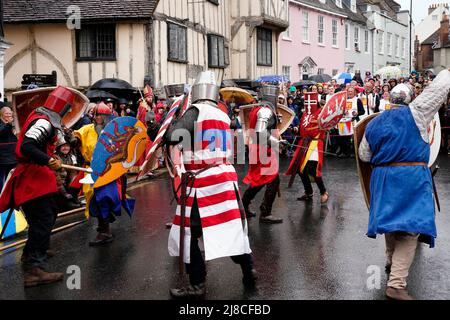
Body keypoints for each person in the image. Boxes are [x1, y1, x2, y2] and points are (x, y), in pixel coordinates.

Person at [358, 70, 450, 300]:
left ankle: (392, 263)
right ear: (411, 99)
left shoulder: (374, 123)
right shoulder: (417, 113)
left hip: (383, 178)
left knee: (392, 224)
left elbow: (364, 155)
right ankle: (396, 284)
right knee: (410, 230)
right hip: (409, 178)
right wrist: (446, 71)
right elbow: (441, 87)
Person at [163, 71, 256, 298]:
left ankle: (197, 283)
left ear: (195, 91)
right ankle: (248, 269)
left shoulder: (196, 111)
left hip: (203, 183)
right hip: (224, 179)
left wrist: (172, 120)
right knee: (230, 229)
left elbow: (173, 136)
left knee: (189, 233)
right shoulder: (223, 115)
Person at [0, 86, 76, 287]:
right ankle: (35, 268)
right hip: (32, 178)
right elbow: (26, 146)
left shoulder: (41, 115)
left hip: (36, 176)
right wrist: (48, 160)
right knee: (42, 219)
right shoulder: (43, 121)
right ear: (63, 106)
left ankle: (32, 251)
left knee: (46, 214)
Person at [241, 85, 285, 224]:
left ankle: (243, 206)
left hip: (257, 148)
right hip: (262, 149)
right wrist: (277, 143)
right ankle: (265, 213)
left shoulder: (258, 109)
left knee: (259, 179)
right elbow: (261, 133)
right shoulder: (266, 111)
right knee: (272, 179)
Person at [285, 94, 328, 204]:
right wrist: (295, 130)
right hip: (304, 143)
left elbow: (322, 127)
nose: (308, 105)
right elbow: (302, 129)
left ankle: (323, 192)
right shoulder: (304, 114)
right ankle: (308, 192)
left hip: (315, 143)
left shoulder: (321, 113)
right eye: (307, 102)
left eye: (311, 102)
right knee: (299, 169)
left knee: (312, 169)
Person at [0, 106, 17, 191]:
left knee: (11, 180)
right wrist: (8, 125)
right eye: (7, 113)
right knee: (1, 182)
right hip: (2, 159)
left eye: (10, 113)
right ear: (1, 115)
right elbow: (1, 132)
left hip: (13, 157)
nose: (9, 115)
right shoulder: (3, 124)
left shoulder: (14, 124)